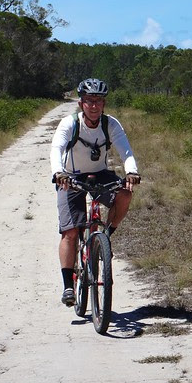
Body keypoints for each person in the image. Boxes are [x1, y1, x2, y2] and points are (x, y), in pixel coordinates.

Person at [50, 78, 141, 306]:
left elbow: (126, 151)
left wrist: (131, 172)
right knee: (70, 232)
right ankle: (68, 286)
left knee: (125, 193)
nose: (93, 105)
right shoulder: (70, 124)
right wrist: (58, 172)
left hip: (99, 174)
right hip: (70, 177)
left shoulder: (110, 124)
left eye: (98, 101)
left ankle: (105, 236)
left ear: (103, 104)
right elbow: (56, 148)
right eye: (89, 100)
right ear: (81, 103)